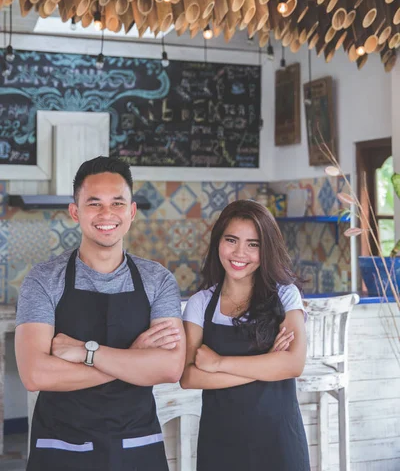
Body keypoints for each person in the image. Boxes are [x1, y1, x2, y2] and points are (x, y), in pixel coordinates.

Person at [15, 156, 185, 471]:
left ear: (132, 212)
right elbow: (35, 374)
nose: (107, 214)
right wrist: (131, 360)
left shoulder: (157, 280)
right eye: (94, 204)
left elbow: (170, 367)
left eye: (117, 203)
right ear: (75, 211)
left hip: (137, 445)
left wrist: (84, 352)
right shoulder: (43, 279)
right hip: (61, 446)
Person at [181, 199, 310, 471]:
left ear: (267, 250)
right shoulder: (200, 304)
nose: (240, 253)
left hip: (278, 441)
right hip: (221, 443)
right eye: (232, 240)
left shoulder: (286, 295)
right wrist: (267, 364)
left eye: (254, 244)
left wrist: (218, 364)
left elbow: (293, 365)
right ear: (218, 242)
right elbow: (189, 377)